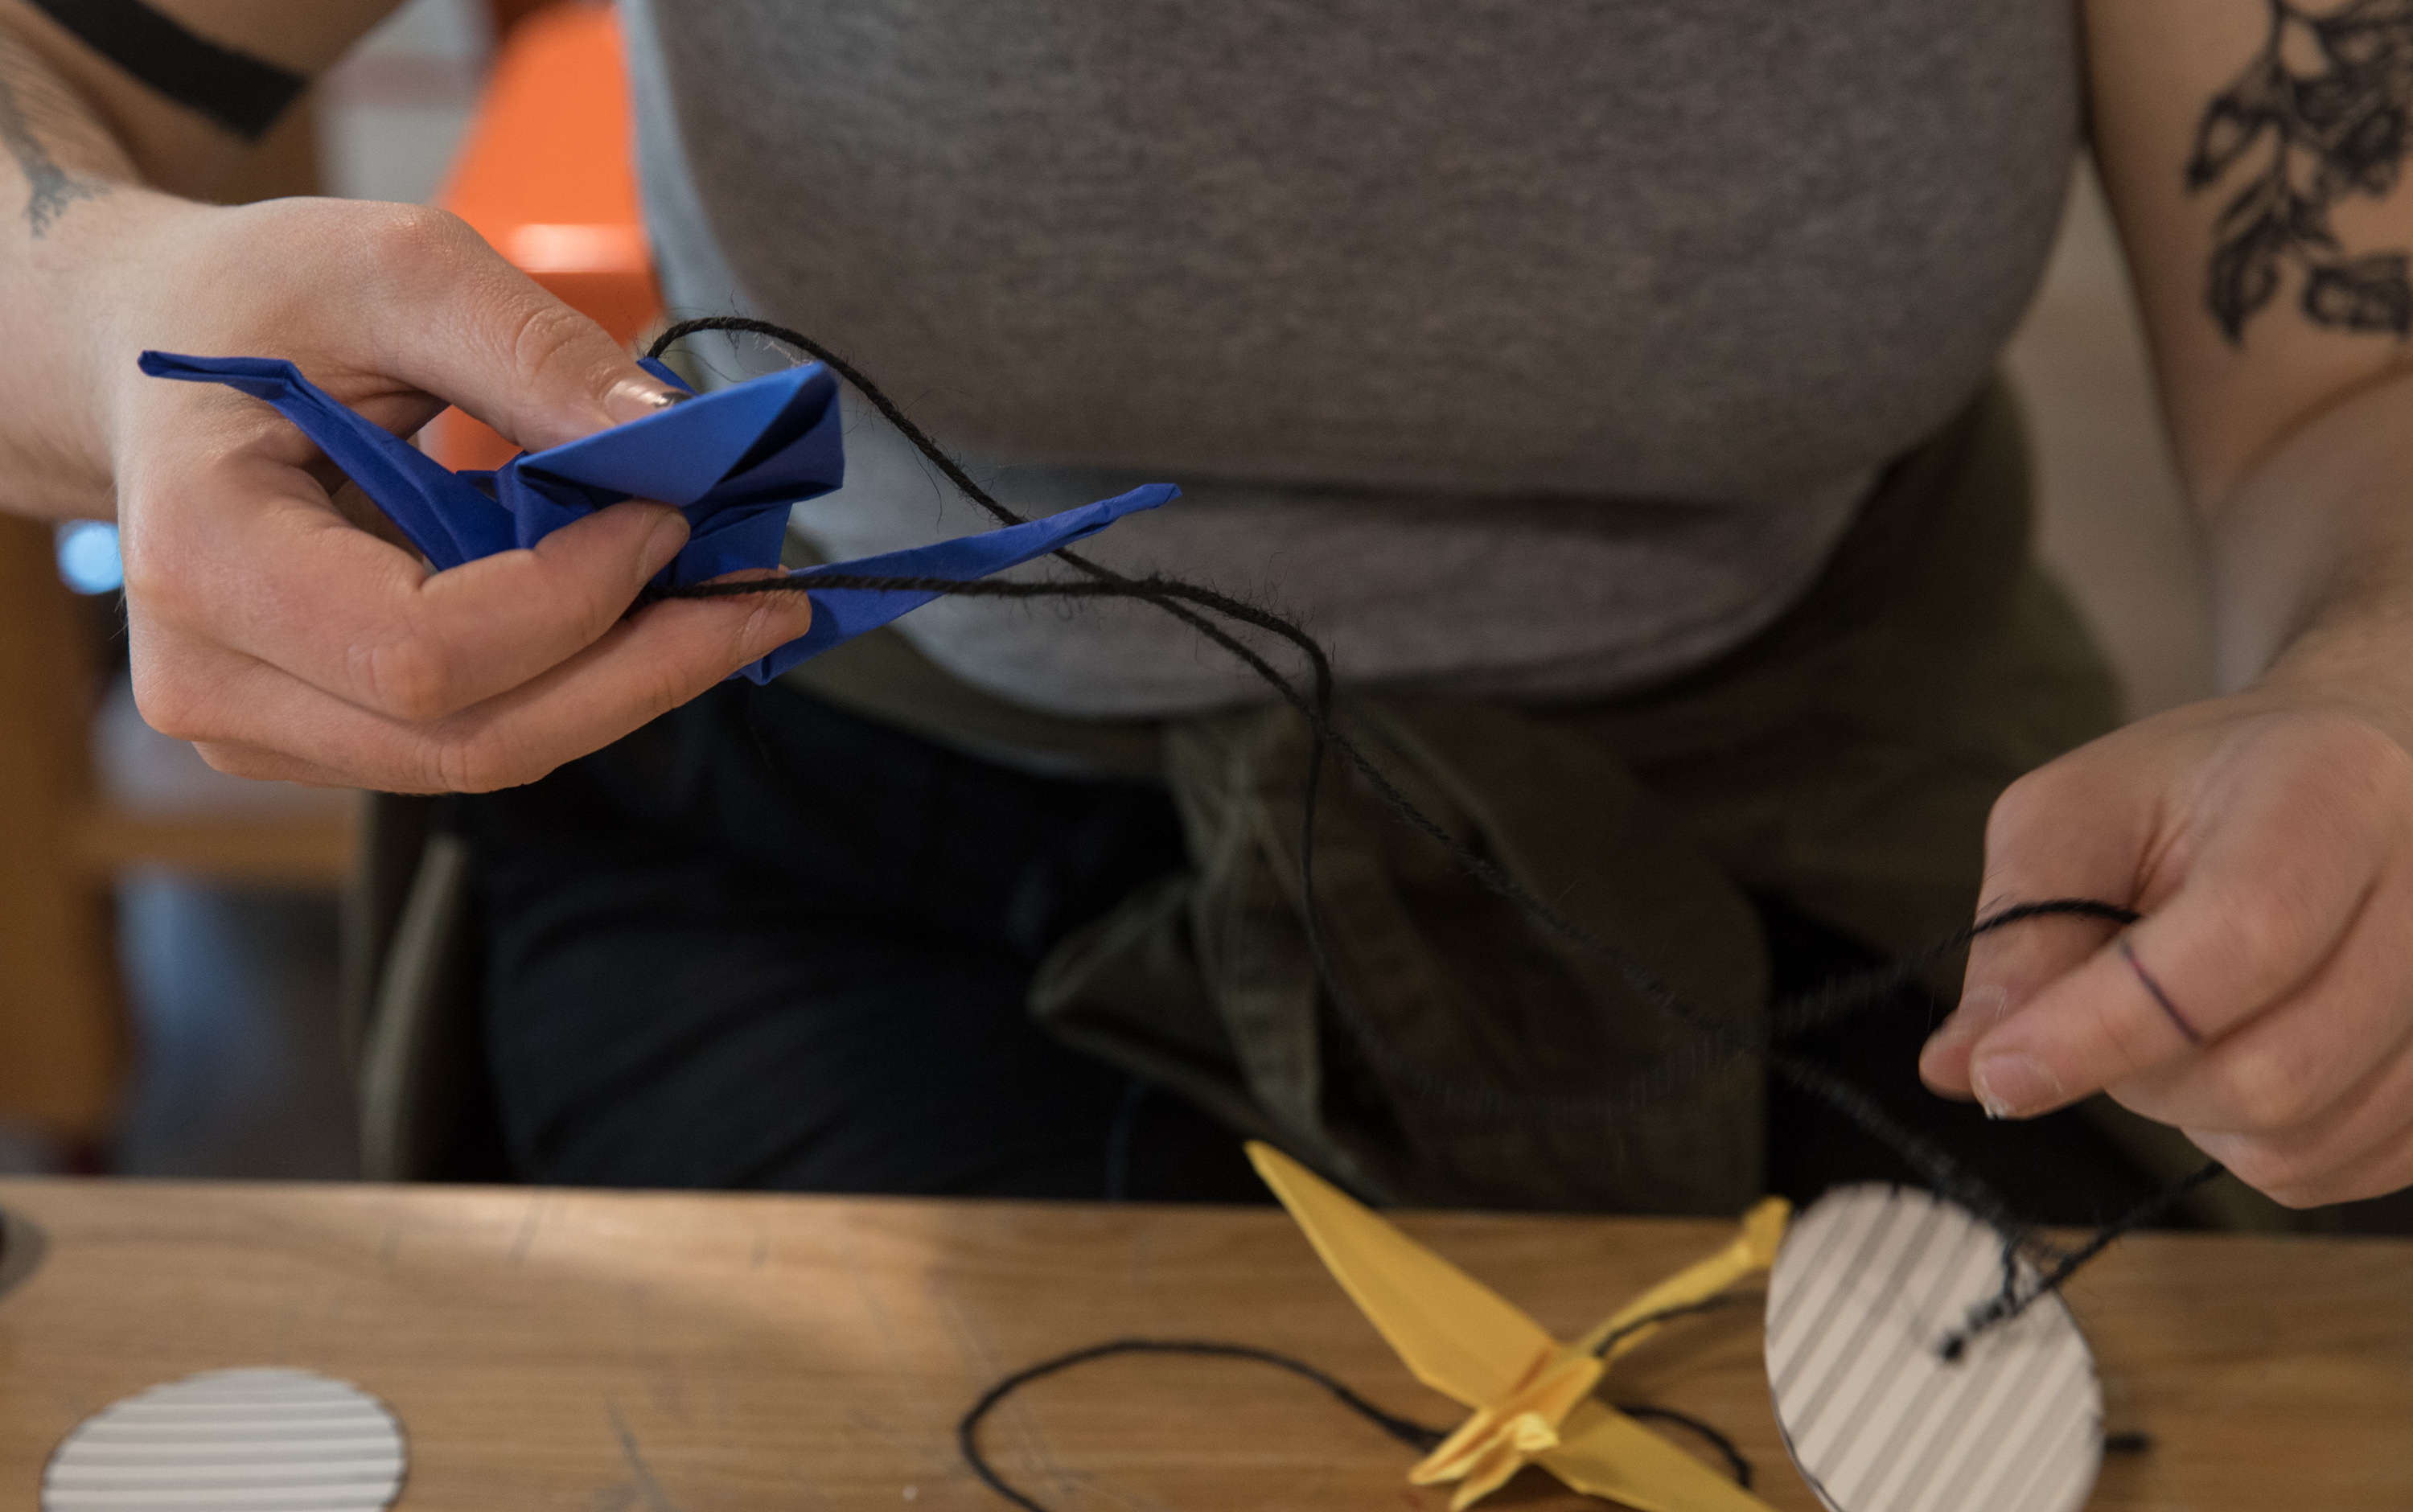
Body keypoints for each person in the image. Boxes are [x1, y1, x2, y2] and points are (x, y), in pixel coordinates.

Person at [3, 0, 2411, 1218]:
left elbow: (2345, 380)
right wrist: (120, 330)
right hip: (847, 826)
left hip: (1865, 851)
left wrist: (2368, 689)